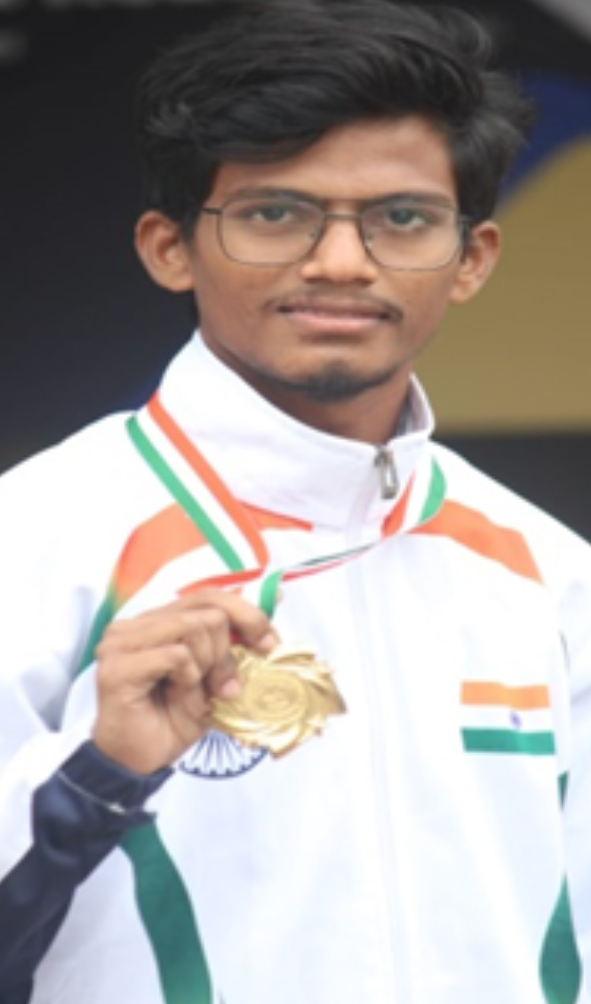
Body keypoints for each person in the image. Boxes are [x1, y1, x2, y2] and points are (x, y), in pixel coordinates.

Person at [1, 1, 590, 1001]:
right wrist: (97, 770)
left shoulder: (552, 574)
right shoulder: (32, 541)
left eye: (402, 218)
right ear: (168, 248)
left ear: (472, 258)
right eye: (277, 213)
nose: (341, 262)